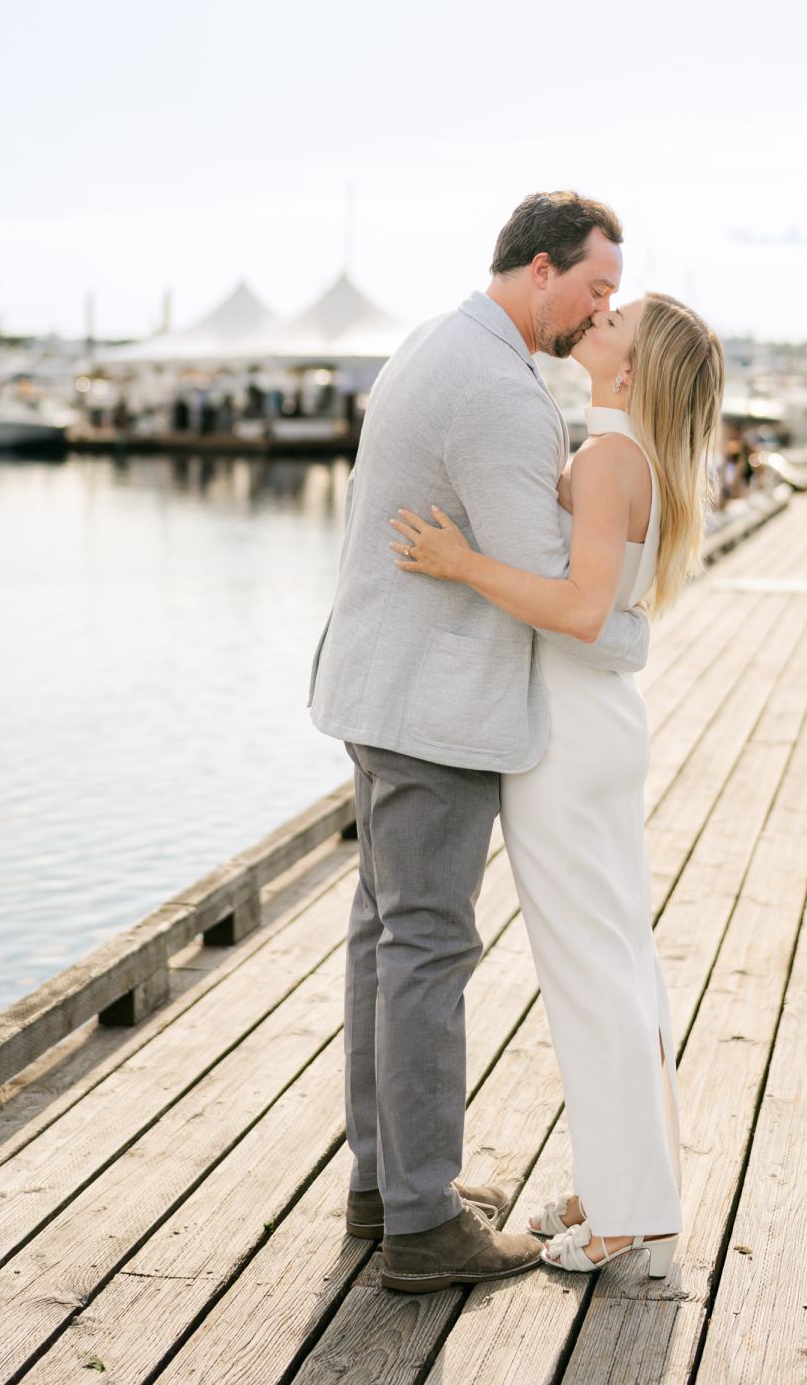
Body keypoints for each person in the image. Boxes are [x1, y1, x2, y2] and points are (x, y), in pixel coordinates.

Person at [308, 192, 651, 1293]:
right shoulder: (501, 395)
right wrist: (624, 596)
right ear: (541, 269)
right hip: (435, 710)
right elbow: (553, 579)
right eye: (596, 286)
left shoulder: (435, 341)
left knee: (388, 941)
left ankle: (387, 1188)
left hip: (380, 689)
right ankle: (420, 1225)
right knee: (426, 954)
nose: (601, 307)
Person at [391, 288, 724, 1281]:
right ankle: (623, 1187)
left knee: (592, 977)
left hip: (570, 736)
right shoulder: (637, 459)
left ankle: (624, 1216)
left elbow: (580, 610)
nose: (602, 316)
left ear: (633, 368)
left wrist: (462, 562)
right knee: (619, 964)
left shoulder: (607, 458)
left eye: (621, 320)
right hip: (599, 732)